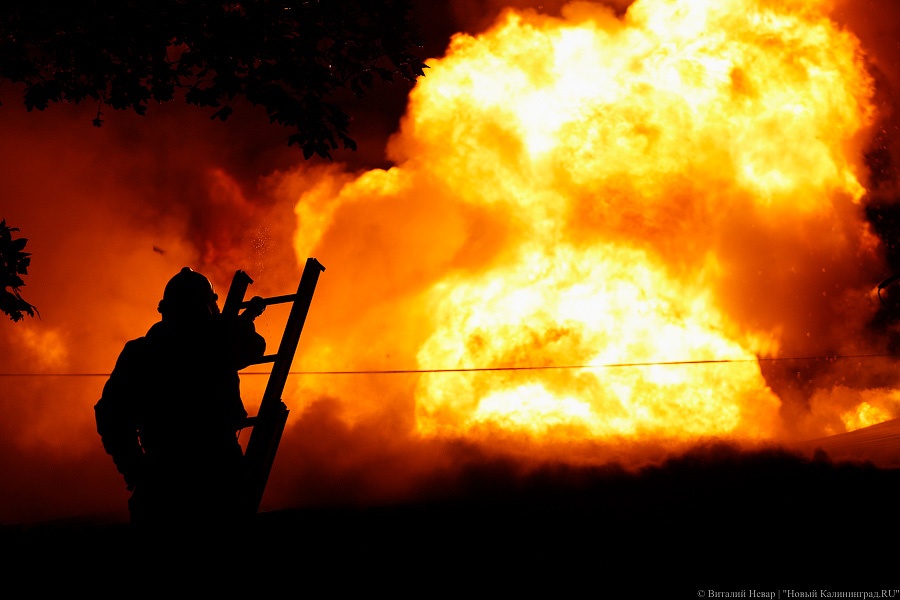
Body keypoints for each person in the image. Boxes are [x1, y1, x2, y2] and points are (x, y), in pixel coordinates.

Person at [95, 267, 266, 535]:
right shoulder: (218, 342)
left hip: (161, 478)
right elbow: (255, 347)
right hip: (218, 474)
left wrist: (135, 470)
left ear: (165, 309)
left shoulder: (139, 352)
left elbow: (110, 415)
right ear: (208, 307)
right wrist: (239, 324)